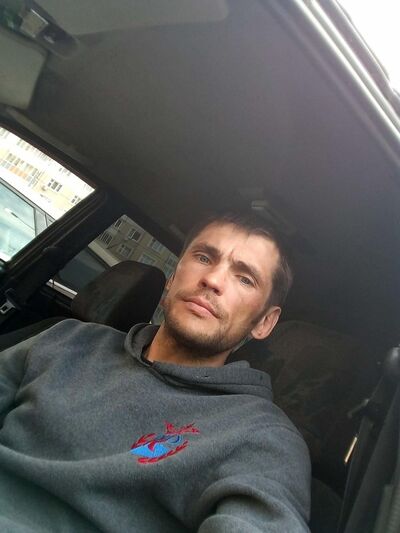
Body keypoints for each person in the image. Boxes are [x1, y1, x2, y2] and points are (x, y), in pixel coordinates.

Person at [0, 212, 311, 532]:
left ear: (265, 322)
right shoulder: (67, 339)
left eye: (245, 278)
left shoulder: (263, 436)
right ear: (172, 279)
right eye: (204, 258)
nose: (213, 280)